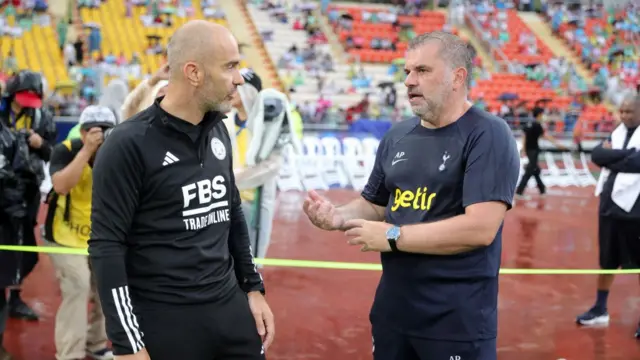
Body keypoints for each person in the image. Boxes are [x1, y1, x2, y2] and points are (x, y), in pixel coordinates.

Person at [302, 31, 520, 360]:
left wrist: (393, 235)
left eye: (422, 71)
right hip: (393, 314)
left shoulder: (488, 134)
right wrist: (338, 216)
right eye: (406, 72)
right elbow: (375, 204)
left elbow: (481, 228)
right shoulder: (398, 135)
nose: (409, 81)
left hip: (455, 323)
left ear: (457, 77)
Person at [88, 20, 273, 360]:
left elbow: (231, 212)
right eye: (230, 66)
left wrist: (253, 287)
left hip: (229, 310)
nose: (238, 78)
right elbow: (106, 247)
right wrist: (128, 344)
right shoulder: (128, 144)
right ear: (193, 72)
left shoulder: (218, 132)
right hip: (165, 321)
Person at [45, 106, 117, 360]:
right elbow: (61, 185)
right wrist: (87, 150)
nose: (98, 136)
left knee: (105, 289)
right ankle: (70, 354)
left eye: (106, 131)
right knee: (78, 285)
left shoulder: (118, 153)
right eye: (92, 130)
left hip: (100, 236)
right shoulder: (65, 150)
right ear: (83, 131)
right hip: (64, 235)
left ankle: (96, 343)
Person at [576, 93, 640, 337]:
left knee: (638, 266)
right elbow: (597, 156)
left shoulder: (619, 138)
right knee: (607, 262)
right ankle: (600, 308)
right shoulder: (617, 133)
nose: (623, 116)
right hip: (609, 209)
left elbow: (637, 163)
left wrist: (613, 158)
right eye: (621, 111)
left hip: (635, 213)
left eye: (629, 112)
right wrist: (626, 157)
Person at [0, 70, 57, 322]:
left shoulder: (43, 117)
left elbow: (53, 154)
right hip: (2, 189)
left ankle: (15, 296)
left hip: (28, 190)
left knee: (25, 249)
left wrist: (40, 144)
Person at [224, 69, 280, 260]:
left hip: (251, 204)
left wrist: (230, 179)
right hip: (222, 201)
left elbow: (270, 166)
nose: (230, 91)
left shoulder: (267, 126)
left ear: (250, 92)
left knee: (247, 261)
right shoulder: (224, 121)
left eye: (236, 87)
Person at [514, 106, 565, 198]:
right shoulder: (537, 125)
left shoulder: (529, 124)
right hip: (533, 150)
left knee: (535, 170)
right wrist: (558, 144)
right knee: (530, 170)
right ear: (540, 114)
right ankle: (519, 192)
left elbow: (524, 137)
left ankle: (542, 190)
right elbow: (546, 136)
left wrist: (523, 149)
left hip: (530, 150)